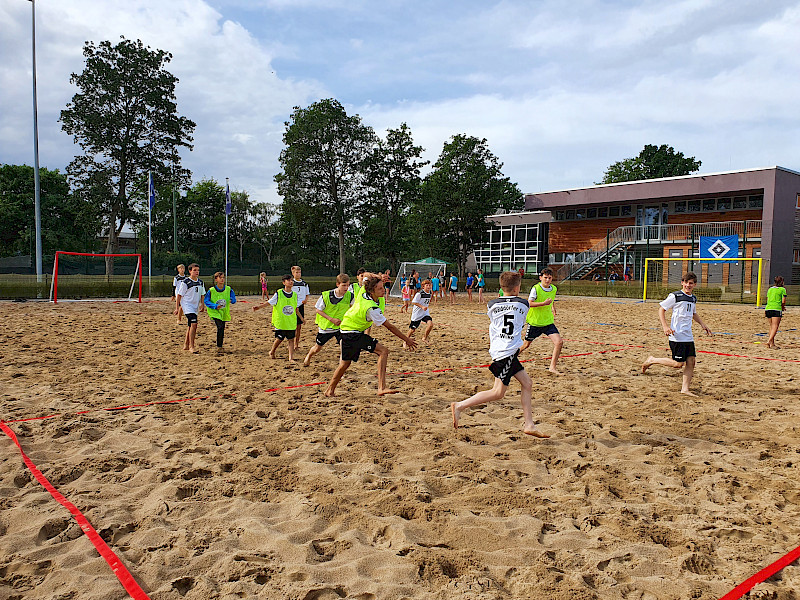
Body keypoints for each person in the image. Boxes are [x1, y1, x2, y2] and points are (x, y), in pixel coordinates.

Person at [450, 271, 549, 438]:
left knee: (527, 383)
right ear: (517, 288)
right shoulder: (522, 304)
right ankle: (459, 405)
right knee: (497, 393)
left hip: (503, 350)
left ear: (501, 288)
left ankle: (529, 424)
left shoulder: (492, 304)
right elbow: (523, 306)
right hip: (506, 352)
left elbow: (501, 306)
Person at [324, 275, 417, 397]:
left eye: (383, 287)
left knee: (345, 364)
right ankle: (381, 387)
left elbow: (367, 276)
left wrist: (379, 277)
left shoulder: (363, 291)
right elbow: (390, 327)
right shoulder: (371, 308)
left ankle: (329, 390)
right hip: (352, 333)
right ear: (372, 290)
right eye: (379, 288)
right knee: (383, 351)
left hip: (347, 331)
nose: (383, 290)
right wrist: (407, 339)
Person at [642, 272, 713, 396]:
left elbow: (693, 313)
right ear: (682, 283)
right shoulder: (675, 296)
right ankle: (652, 360)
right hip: (677, 335)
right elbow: (661, 309)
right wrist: (665, 326)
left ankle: (685, 389)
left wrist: (703, 324)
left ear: (694, 284)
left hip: (688, 335)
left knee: (691, 362)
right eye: (686, 282)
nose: (688, 285)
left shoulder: (693, 298)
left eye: (691, 283)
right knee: (678, 364)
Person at [519, 267, 563, 374]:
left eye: (549, 278)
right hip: (535, 322)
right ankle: (508, 360)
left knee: (559, 342)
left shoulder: (554, 289)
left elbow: (551, 300)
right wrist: (543, 303)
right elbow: (529, 303)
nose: (547, 280)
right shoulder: (536, 289)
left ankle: (552, 367)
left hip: (547, 322)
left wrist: (552, 307)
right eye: (545, 278)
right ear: (540, 278)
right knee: (525, 345)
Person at [303, 274, 353, 367]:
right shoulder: (326, 295)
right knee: (317, 348)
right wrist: (331, 319)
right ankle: (308, 356)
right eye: (344, 285)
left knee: (344, 347)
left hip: (341, 327)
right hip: (326, 327)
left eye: (348, 285)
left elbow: (352, 308)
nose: (346, 288)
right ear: (338, 284)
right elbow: (318, 310)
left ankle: (341, 368)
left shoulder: (350, 296)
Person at [254, 273, 304, 363]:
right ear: (284, 282)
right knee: (279, 338)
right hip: (281, 321)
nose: (291, 282)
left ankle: (291, 358)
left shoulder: (295, 295)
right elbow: (269, 302)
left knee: (291, 339)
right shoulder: (279, 293)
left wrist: (301, 318)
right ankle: (272, 351)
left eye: (291, 280)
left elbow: (296, 309)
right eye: (288, 280)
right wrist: (259, 307)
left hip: (290, 322)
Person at [174, 263, 205, 353]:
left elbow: (202, 294)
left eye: (198, 270)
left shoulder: (200, 282)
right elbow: (179, 296)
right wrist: (177, 308)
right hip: (187, 306)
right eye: (194, 270)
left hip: (195, 306)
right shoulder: (186, 282)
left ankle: (186, 345)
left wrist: (202, 305)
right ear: (190, 271)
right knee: (194, 324)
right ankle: (192, 346)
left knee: (190, 326)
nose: (197, 272)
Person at [204, 271, 237, 353]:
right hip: (214, 311)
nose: (222, 279)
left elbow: (233, 299)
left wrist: (232, 300)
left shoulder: (228, 289)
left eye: (223, 277)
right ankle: (219, 346)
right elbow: (206, 301)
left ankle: (220, 346)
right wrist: (215, 306)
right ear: (216, 280)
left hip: (224, 312)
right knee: (220, 327)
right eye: (220, 277)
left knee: (222, 328)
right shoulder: (211, 290)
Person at [405, 278, 434, 346]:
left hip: (425, 313)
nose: (429, 286)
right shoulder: (419, 293)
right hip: (417, 314)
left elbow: (428, 300)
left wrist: (425, 306)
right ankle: (405, 340)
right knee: (412, 329)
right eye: (427, 285)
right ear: (423, 286)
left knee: (430, 324)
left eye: (429, 285)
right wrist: (422, 307)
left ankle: (424, 338)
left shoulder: (430, 292)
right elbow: (414, 302)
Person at [291, 265, 310, 351]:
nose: (298, 274)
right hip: (292, 305)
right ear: (293, 273)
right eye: (296, 272)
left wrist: (305, 300)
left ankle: (296, 344)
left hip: (300, 306)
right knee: (291, 326)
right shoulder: (291, 283)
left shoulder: (304, 284)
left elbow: (307, 294)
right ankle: (290, 342)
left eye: (299, 272)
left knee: (299, 326)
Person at [765, 275, 787, 349]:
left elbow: (767, 299)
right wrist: (783, 307)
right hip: (776, 308)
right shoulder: (782, 289)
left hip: (768, 308)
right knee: (775, 326)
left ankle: (772, 344)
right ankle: (769, 341)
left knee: (771, 326)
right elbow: (783, 301)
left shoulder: (770, 289)